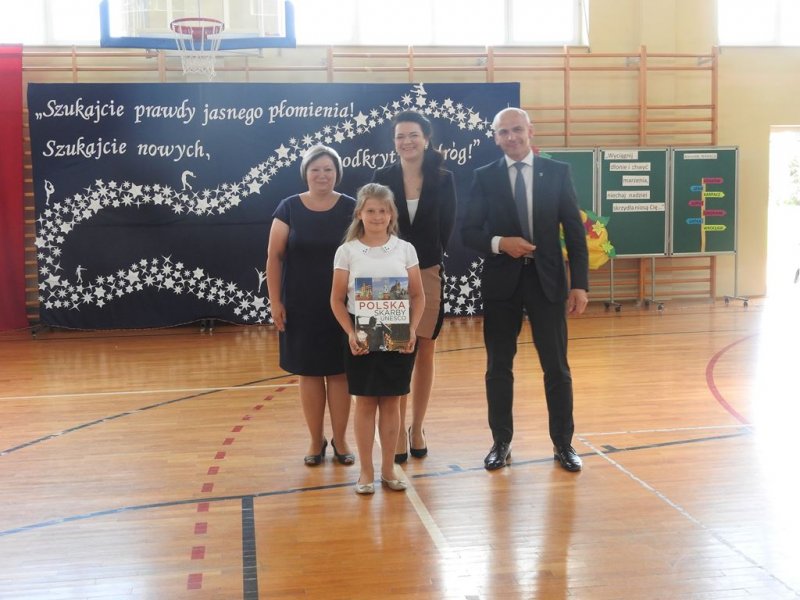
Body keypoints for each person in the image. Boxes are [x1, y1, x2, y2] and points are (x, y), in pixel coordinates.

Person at [461, 107, 589, 473]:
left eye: (517, 129)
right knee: (498, 367)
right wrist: (501, 243)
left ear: (530, 131)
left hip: (548, 283)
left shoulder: (558, 172)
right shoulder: (484, 177)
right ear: (495, 137)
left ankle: (563, 444)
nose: (511, 137)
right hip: (502, 285)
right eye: (503, 132)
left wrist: (579, 284)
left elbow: (574, 232)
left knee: (557, 367)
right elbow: (468, 232)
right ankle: (500, 442)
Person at [372, 110, 456, 464]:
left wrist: (424, 261)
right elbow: (373, 225)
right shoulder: (382, 178)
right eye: (400, 136)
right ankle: (396, 428)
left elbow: (446, 227)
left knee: (424, 350)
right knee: (394, 351)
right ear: (394, 142)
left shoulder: (444, 178)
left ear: (426, 138)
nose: (406, 141)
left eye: (413, 135)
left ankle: (417, 427)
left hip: (427, 271)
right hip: (387, 275)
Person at [330, 183, 425, 495]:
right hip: (361, 337)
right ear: (360, 213)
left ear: (391, 214)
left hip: (398, 333)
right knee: (366, 402)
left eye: (383, 210)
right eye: (370, 210)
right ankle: (366, 472)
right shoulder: (347, 251)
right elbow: (336, 300)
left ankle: (388, 469)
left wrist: (412, 329)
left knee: (392, 402)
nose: (377, 216)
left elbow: (417, 295)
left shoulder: (405, 249)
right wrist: (350, 333)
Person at [266, 144, 356, 467]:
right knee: (309, 374)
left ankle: (341, 439)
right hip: (300, 305)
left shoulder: (352, 207)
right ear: (305, 173)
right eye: (315, 169)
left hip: (343, 306)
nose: (322, 175)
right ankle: (315, 440)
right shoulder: (288, 207)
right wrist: (275, 301)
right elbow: (274, 257)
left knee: (340, 373)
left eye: (328, 169)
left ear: (337, 173)